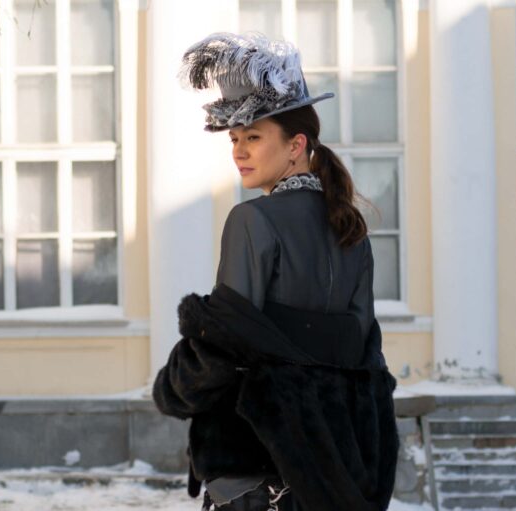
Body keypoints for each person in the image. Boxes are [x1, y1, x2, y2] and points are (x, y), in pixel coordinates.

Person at [151, 33, 399, 511]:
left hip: (254, 474)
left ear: (296, 145)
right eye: (236, 139)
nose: (239, 151)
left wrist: (172, 387)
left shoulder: (252, 219)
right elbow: (366, 359)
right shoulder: (351, 231)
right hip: (333, 475)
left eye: (255, 137)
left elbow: (224, 346)